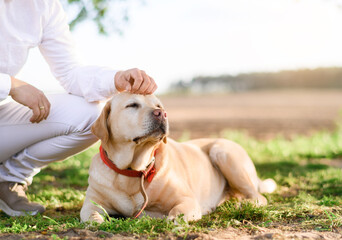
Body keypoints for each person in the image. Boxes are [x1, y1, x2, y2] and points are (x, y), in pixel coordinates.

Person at [0, 0, 157, 217]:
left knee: (90, 115)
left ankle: (8, 179)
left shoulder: (43, 5)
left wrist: (116, 79)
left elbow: (70, 72)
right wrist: (11, 85)